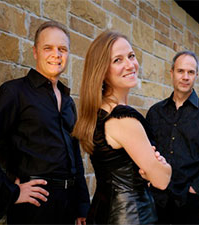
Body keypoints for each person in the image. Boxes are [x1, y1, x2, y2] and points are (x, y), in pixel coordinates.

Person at [0, 21, 90, 224]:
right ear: (35, 52)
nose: (56, 54)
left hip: (68, 206)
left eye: (62, 49)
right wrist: (10, 191)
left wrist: (82, 206)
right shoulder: (14, 92)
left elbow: (75, 156)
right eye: (48, 48)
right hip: (34, 207)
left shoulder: (68, 101)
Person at [72, 31, 172, 224]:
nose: (130, 65)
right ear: (102, 71)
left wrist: (152, 167)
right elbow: (161, 180)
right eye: (118, 60)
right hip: (132, 217)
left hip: (102, 213)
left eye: (131, 56)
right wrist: (163, 166)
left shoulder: (99, 113)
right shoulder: (123, 119)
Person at [146, 51, 199, 224]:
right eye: (180, 71)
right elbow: (146, 152)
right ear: (171, 73)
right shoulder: (155, 112)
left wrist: (195, 187)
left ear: (196, 76)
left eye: (191, 72)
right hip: (157, 198)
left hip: (190, 201)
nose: (185, 77)